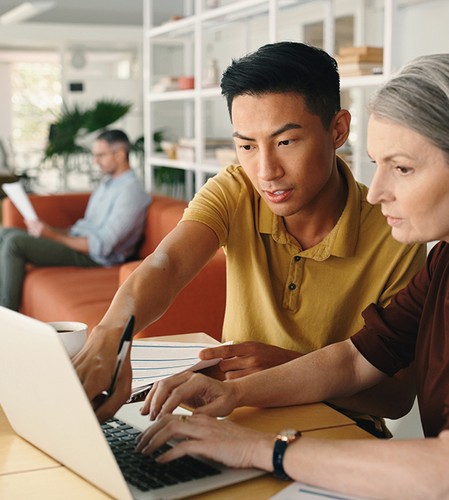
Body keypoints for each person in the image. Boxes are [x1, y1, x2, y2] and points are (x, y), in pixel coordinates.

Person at [134, 53, 449, 499]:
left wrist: (261, 449)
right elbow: (356, 358)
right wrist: (235, 394)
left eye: (402, 168)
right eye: (377, 164)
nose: (379, 191)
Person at [74, 42, 425, 430]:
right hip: (231, 417)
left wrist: (286, 368)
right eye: (246, 146)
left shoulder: (395, 231)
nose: (265, 171)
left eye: (286, 142)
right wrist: (111, 335)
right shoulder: (237, 188)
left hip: (338, 432)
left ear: (338, 129)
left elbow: (396, 399)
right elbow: (167, 263)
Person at [0, 129, 151, 311]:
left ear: (119, 155)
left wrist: (52, 236)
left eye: (101, 155)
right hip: (79, 243)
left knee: (15, 243)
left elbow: (101, 245)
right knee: (4, 233)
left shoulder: (131, 193)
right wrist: (50, 230)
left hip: (94, 257)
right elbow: (85, 227)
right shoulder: (107, 184)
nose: (95, 161)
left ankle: (6, 314)